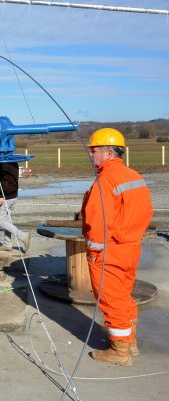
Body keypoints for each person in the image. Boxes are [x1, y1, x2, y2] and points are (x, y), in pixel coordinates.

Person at [81, 128, 153, 366]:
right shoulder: (133, 176)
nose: (91, 155)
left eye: (94, 150)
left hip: (108, 251)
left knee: (112, 300)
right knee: (123, 296)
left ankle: (119, 351)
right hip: (130, 248)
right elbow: (145, 212)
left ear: (108, 152)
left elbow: (97, 220)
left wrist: (93, 251)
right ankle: (129, 343)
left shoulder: (106, 180)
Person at [0, 161, 30, 252]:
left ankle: (23, 236)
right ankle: (7, 243)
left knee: (1, 221)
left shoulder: (4, 163)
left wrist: (1, 195)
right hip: (13, 195)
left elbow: (4, 179)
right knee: (7, 220)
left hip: (6, 196)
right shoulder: (13, 161)